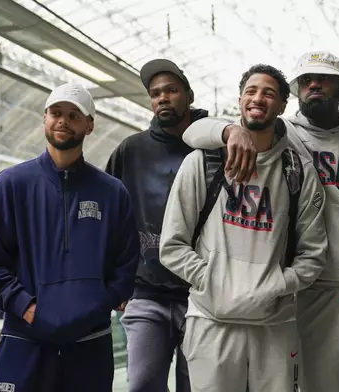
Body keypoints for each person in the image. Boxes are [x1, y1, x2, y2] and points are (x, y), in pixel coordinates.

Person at [181, 51, 339, 392]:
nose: (314, 85)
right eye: (306, 80)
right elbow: (194, 131)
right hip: (311, 296)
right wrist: (230, 131)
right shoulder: (283, 135)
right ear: (295, 94)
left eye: (324, 78)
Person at [159, 64, 328, 392]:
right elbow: (172, 245)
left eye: (269, 93)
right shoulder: (204, 162)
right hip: (211, 322)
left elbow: (313, 254)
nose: (258, 98)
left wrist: (277, 284)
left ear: (282, 106)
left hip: (275, 324)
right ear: (239, 101)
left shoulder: (298, 172)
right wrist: (212, 278)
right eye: (251, 91)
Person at [0, 83, 140, 391]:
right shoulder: (10, 185)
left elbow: (126, 264)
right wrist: (26, 307)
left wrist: (95, 306)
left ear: (89, 126)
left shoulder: (112, 193)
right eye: (56, 113)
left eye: (74, 115)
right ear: (44, 118)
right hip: (25, 341)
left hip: (89, 343)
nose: (63, 121)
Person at [105, 59, 206, 392]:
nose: (163, 98)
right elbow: (108, 219)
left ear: (189, 96)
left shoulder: (212, 148)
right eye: (155, 93)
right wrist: (115, 281)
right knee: (143, 384)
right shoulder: (130, 151)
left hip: (203, 295)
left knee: (198, 386)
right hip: (146, 293)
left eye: (171, 90)